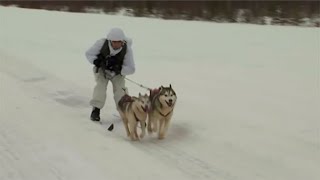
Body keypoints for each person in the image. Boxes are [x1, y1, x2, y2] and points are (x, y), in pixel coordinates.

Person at [85, 28, 135, 121]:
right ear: (110, 41)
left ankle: (124, 110)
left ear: (122, 41)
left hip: (117, 73)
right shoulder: (101, 44)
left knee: (120, 90)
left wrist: (119, 69)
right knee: (100, 87)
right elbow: (89, 54)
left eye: (119, 42)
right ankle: (96, 110)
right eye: (114, 42)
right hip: (102, 70)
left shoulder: (127, 49)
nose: (116, 44)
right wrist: (96, 61)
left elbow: (131, 68)